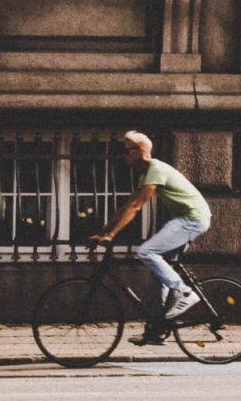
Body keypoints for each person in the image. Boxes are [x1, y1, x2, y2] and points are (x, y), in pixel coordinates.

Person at [89, 131, 209, 346]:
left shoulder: (156, 169)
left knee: (146, 251)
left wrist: (111, 235)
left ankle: (184, 292)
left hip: (191, 219)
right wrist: (104, 231)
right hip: (186, 219)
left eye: (127, 150)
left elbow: (136, 207)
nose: (123, 155)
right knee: (158, 275)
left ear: (140, 151)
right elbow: (128, 205)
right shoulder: (146, 175)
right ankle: (156, 330)